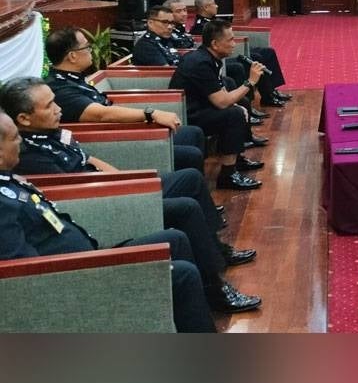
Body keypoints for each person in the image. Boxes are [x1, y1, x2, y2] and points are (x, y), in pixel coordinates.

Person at [0, 80, 261, 314]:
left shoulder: (45, 138)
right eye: (13, 139)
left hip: (100, 219)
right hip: (82, 265)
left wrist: (124, 180)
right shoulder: (28, 162)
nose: (58, 109)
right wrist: (125, 189)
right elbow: (26, 278)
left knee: (179, 230)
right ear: (23, 119)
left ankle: (214, 277)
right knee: (184, 259)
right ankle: (212, 291)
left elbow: (86, 158)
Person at [0, 111, 219, 332]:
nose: (21, 141)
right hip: (79, 278)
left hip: (89, 257)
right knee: (183, 275)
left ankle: (212, 294)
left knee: (176, 239)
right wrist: (99, 266)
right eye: (14, 138)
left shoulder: (9, 181)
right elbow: (23, 279)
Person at [43, 27, 210, 175]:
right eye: (87, 47)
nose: (91, 50)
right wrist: (150, 114)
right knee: (191, 156)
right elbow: (101, 114)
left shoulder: (74, 79)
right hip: (113, 140)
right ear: (72, 56)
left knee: (193, 133)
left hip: (120, 129)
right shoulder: (60, 88)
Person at [169, 20, 266, 191]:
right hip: (187, 115)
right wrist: (250, 82)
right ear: (214, 43)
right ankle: (228, 175)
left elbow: (221, 92)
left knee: (240, 103)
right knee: (233, 115)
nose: (234, 44)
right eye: (230, 40)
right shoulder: (200, 63)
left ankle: (236, 159)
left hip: (202, 105)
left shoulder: (210, 58)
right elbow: (221, 102)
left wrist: (236, 103)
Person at [191, 0, 291, 107]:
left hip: (233, 48)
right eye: (214, 3)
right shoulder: (202, 26)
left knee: (268, 52)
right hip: (225, 53)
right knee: (254, 59)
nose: (217, 5)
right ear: (205, 7)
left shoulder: (213, 21)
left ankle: (271, 90)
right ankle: (259, 99)